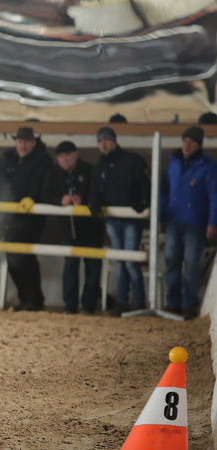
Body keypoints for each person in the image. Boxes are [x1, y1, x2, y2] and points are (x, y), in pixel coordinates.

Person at [89, 126, 150, 315]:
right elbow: (96, 191)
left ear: (114, 141)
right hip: (113, 219)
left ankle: (139, 301)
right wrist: (95, 203)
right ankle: (124, 301)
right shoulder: (100, 166)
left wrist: (143, 201)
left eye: (107, 139)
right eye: (100, 141)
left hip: (131, 218)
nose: (104, 144)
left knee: (130, 261)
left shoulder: (132, 161)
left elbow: (145, 184)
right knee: (121, 261)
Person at [160, 127, 217, 319]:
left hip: (196, 222)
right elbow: (165, 189)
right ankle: (173, 303)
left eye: (192, 141)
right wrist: (162, 214)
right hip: (173, 220)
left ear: (199, 145)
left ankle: (189, 304)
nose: (187, 144)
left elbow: (214, 196)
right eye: (185, 140)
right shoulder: (173, 162)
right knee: (171, 260)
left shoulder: (207, 166)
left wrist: (212, 222)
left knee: (191, 263)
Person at [43, 141, 105, 314]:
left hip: (91, 227)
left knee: (92, 265)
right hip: (67, 228)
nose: (65, 159)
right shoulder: (53, 174)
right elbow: (45, 194)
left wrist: (84, 202)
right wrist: (60, 200)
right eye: (62, 156)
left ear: (76, 155)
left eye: (69, 155)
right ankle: (70, 305)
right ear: (57, 158)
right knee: (70, 265)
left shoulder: (90, 171)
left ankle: (89, 305)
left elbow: (98, 194)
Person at [0, 127, 52, 311]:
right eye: (20, 141)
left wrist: (32, 197)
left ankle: (34, 299)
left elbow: (42, 184)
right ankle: (25, 297)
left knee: (25, 257)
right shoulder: (7, 159)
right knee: (12, 256)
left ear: (34, 143)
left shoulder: (42, 161)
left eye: (26, 141)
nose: (23, 145)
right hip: (10, 214)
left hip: (30, 217)